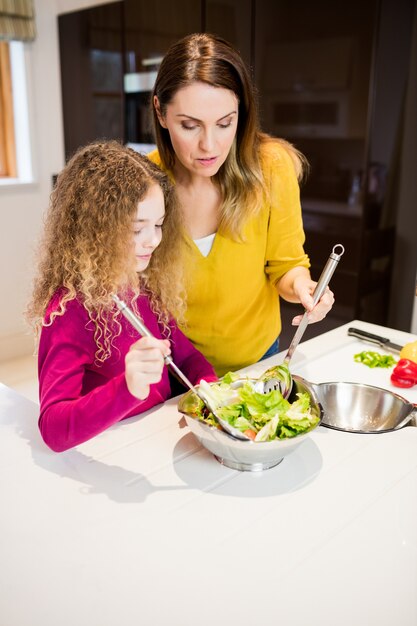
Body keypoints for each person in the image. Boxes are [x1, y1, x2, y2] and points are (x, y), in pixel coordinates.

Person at [149, 33, 335, 377]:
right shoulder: (145, 180)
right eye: (189, 126)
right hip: (173, 369)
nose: (209, 145)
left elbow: (286, 265)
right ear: (160, 112)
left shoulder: (271, 167)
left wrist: (303, 288)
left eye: (224, 123)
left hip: (258, 361)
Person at [26, 141, 217, 452]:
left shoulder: (141, 284)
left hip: (156, 441)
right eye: (135, 229)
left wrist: (210, 389)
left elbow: (186, 357)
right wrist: (127, 387)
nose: (153, 240)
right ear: (94, 230)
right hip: (114, 451)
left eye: (158, 225)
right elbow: (53, 428)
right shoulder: (68, 310)